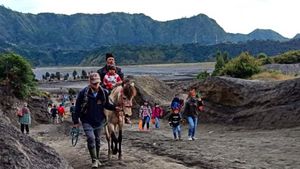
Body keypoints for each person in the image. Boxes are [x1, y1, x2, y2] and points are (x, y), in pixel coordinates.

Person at [72, 72, 120, 168]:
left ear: (100, 82)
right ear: (89, 82)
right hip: (86, 120)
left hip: (99, 120)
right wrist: (76, 122)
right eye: (94, 83)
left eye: (97, 83)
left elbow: (106, 105)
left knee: (97, 139)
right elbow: (76, 108)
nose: (96, 85)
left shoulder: (104, 92)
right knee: (91, 138)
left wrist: (115, 108)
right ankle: (94, 160)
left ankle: (97, 158)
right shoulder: (83, 93)